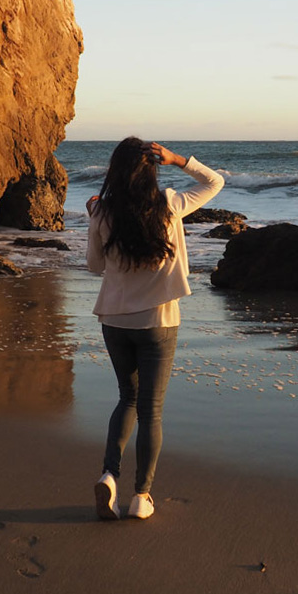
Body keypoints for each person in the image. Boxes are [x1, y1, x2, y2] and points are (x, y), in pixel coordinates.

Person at [86, 137, 224, 520]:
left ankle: (109, 476)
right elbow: (215, 182)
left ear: (114, 171)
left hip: (113, 321)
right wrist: (177, 159)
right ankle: (141, 496)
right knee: (152, 410)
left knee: (126, 398)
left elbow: (95, 267)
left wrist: (93, 218)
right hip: (158, 322)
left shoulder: (102, 211)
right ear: (152, 168)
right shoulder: (169, 204)